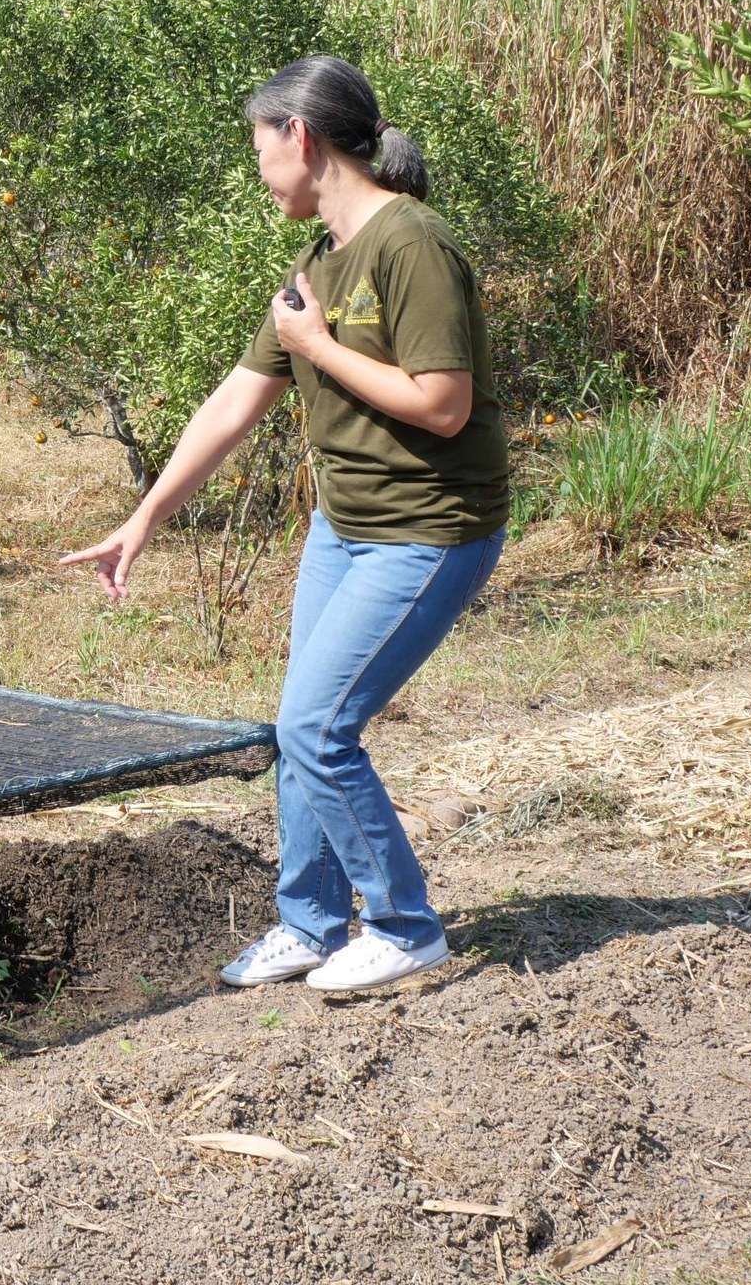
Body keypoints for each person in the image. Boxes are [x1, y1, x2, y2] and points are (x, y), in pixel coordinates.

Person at [60, 55, 509, 992]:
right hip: (343, 530)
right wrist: (146, 518)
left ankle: (404, 924)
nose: (261, 173)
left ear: (299, 140)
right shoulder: (322, 260)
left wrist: (317, 347)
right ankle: (310, 924)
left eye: (261, 151)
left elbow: (444, 405)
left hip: (428, 530)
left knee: (317, 726)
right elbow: (236, 400)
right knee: (296, 726)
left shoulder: (412, 245)